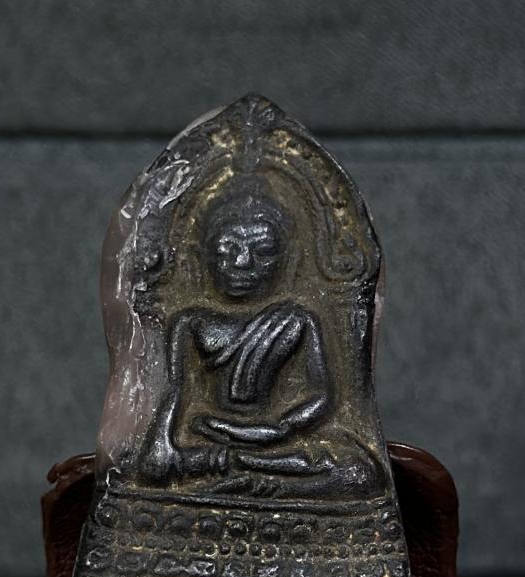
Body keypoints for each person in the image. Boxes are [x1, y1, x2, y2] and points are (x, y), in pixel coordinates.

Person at [140, 176, 379, 499]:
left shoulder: (298, 320)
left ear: (287, 260)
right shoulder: (189, 322)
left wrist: (277, 430)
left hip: (276, 442)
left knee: (360, 472)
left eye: (263, 252)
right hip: (209, 436)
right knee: (150, 469)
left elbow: (321, 397)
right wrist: (162, 445)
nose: (243, 263)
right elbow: (173, 392)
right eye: (228, 250)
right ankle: (262, 483)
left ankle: (264, 484)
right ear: (202, 257)